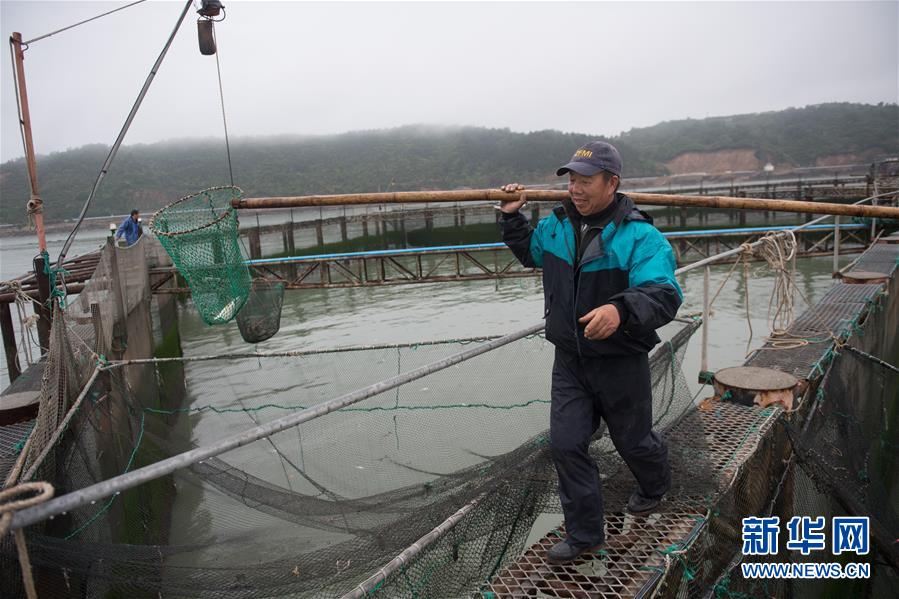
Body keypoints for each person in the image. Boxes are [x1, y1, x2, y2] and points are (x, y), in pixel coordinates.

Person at [498, 141, 682, 564]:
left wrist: (621, 310)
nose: (576, 190)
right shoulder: (558, 225)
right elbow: (532, 253)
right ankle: (585, 535)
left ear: (611, 182)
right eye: (572, 181)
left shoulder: (640, 236)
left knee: (632, 441)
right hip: (570, 360)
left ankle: (655, 486)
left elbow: (664, 293)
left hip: (620, 360)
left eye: (586, 181)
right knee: (566, 445)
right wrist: (511, 217)